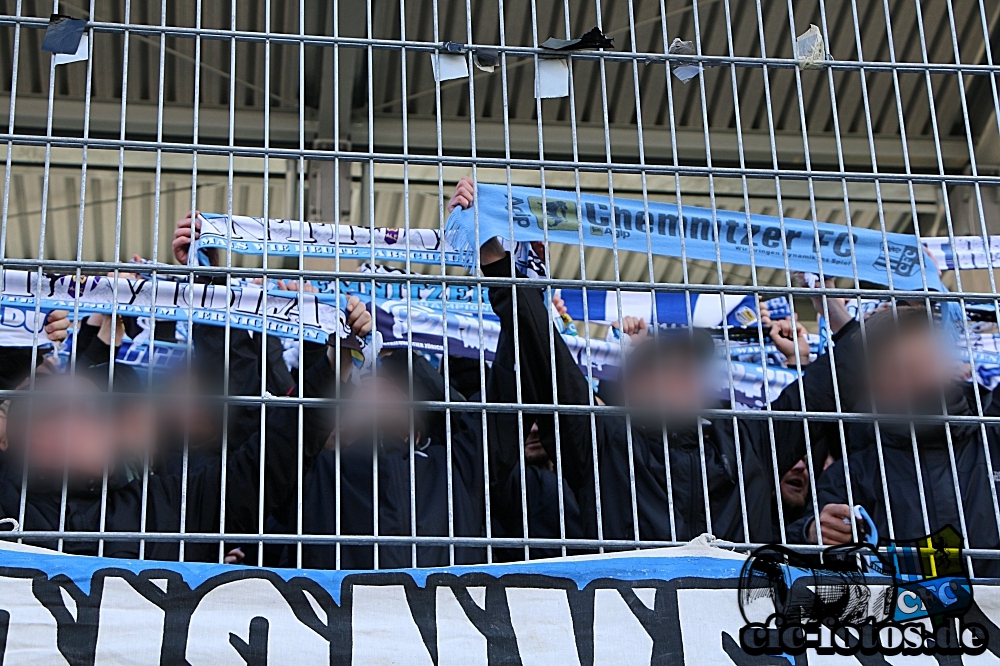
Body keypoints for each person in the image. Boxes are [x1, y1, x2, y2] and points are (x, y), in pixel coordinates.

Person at [451, 177, 830, 545]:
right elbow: (545, 356)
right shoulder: (604, 445)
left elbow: (828, 386)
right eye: (665, 366)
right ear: (633, 388)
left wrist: (832, 307)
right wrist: (498, 263)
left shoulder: (748, 444)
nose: (684, 374)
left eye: (689, 367)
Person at [787, 304, 1000, 576]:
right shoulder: (852, 477)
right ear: (876, 387)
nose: (923, 377)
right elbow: (797, 556)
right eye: (904, 369)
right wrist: (813, 534)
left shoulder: (993, 441)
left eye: (929, 362)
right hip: (907, 616)